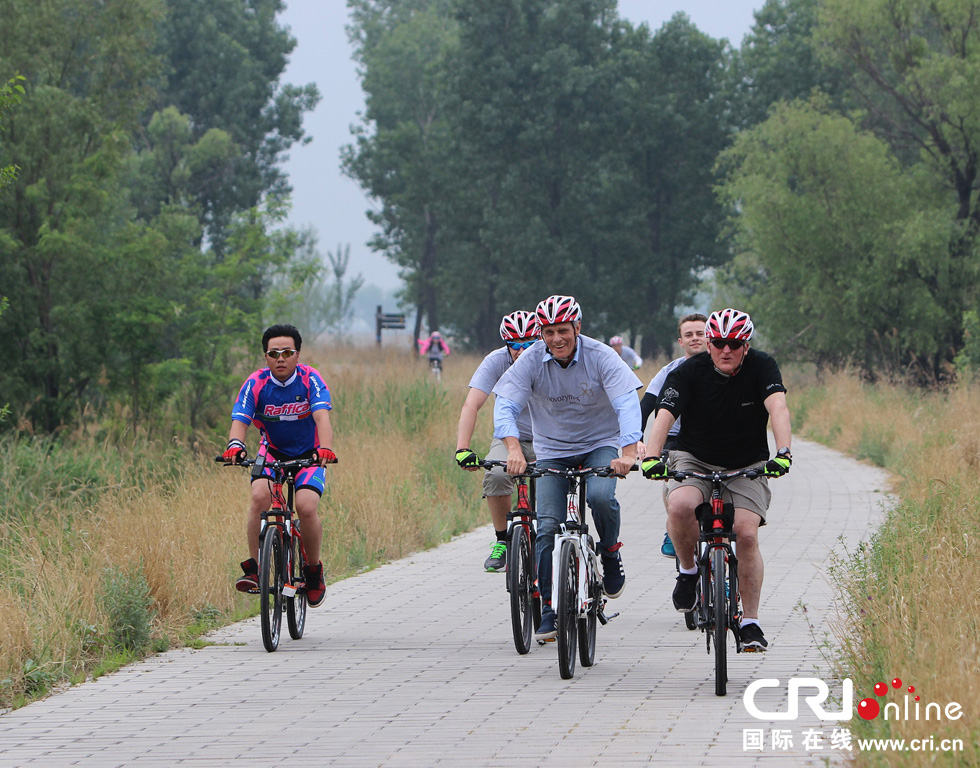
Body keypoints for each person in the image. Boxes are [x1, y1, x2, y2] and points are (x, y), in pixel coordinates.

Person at [641, 308, 793, 652]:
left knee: (746, 533)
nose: (727, 350)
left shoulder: (762, 365)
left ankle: (750, 622)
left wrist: (782, 452)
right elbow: (664, 413)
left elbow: (778, 408)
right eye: (719, 343)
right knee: (680, 505)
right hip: (694, 458)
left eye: (735, 344)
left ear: (747, 344)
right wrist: (651, 457)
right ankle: (689, 570)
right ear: (708, 343)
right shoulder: (688, 371)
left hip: (746, 463)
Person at [493, 295, 642, 641]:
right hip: (551, 449)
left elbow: (626, 404)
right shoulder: (530, 360)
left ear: (577, 327)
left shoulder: (602, 356)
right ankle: (549, 607)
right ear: (540, 333)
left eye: (563, 330)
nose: (556, 338)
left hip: (599, 443)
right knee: (545, 526)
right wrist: (514, 449)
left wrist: (629, 452)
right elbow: (506, 407)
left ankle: (609, 552)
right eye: (548, 332)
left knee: (603, 498)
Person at [223, 324, 337, 608]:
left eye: (287, 352)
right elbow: (240, 421)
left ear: (297, 354)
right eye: (274, 353)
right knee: (259, 497)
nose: (281, 358)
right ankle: (255, 569)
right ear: (266, 357)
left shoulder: (310, 379)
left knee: (306, 506)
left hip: (310, 454)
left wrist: (325, 449)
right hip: (271, 452)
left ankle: (312, 571)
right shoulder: (256, 383)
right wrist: (235, 445)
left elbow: (323, 418)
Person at [454, 311, 540, 572]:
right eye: (515, 345)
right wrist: (463, 449)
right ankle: (502, 539)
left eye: (528, 344)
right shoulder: (496, 361)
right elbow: (472, 404)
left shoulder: (549, 359)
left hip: (549, 439)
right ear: (506, 345)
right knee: (496, 474)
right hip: (509, 436)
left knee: (558, 480)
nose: (521, 351)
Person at [638, 313, 707, 558]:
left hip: (712, 439)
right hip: (675, 439)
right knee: (672, 483)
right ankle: (674, 527)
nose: (695, 338)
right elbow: (646, 405)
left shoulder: (723, 365)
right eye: (689, 335)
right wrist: (636, 438)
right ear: (681, 341)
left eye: (700, 333)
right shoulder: (670, 371)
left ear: (710, 336)